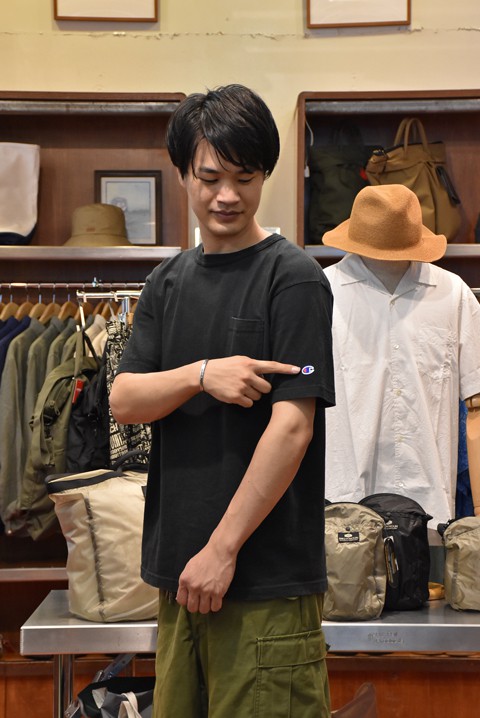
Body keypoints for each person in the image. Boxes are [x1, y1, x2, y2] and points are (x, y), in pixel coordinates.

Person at [109, 84, 335, 718]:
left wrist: (222, 549)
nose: (227, 195)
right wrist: (202, 375)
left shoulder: (294, 279)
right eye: (210, 178)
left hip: (264, 582)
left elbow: (293, 427)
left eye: (245, 177)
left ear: (265, 177)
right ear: (183, 174)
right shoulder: (166, 282)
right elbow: (125, 399)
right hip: (180, 579)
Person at [321, 183, 480, 571]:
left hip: (430, 516)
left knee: (433, 605)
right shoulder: (321, 293)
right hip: (341, 514)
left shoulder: (453, 295)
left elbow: (477, 407)